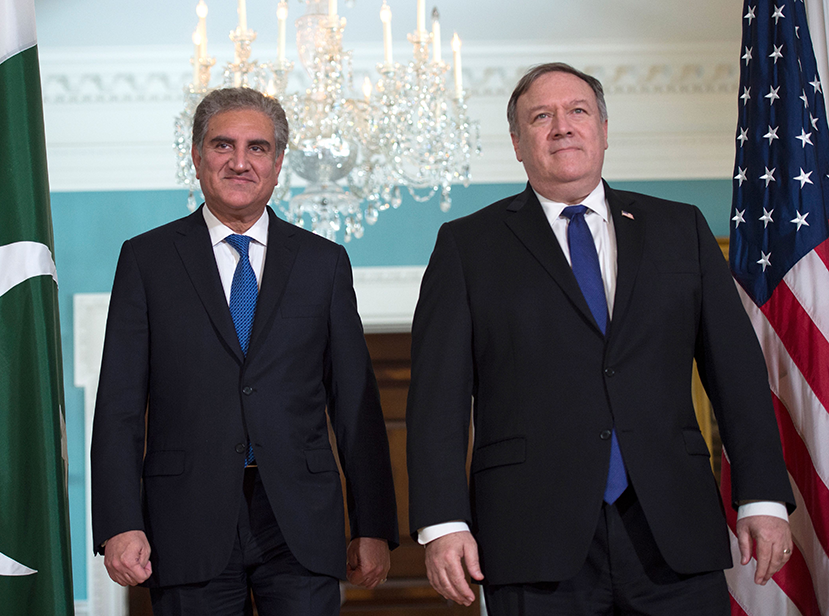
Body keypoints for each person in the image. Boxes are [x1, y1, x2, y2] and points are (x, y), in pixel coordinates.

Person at [405, 62, 795, 615]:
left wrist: (762, 494)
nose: (562, 127)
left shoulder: (679, 228)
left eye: (578, 111)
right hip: (532, 537)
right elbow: (437, 401)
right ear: (517, 143)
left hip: (672, 532)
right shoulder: (468, 246)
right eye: (541, 117)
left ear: (604, 131)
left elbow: (736, 372)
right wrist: (443, 522)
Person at [91, 87, 398, 616]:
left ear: (278, 163)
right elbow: (118, 406)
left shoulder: (323, 264)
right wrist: (119, 522)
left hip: (299, 519)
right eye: (222, 145)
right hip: (185, 520)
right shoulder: (147, 260)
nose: (240, 161)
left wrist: (373, 526)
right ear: (196, 156)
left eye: (257, 148)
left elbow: (355, 405)